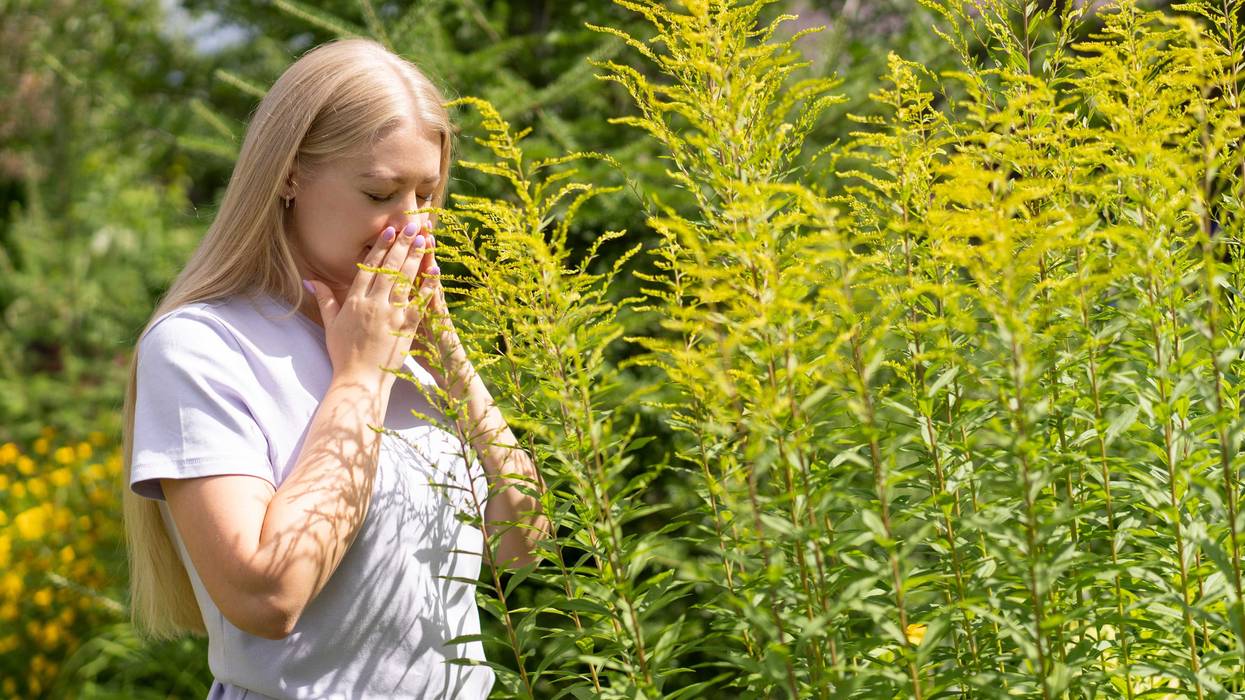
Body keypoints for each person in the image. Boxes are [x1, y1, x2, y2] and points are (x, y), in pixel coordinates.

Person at [120, 38, 548, 699]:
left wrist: (451, 360)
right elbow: (268, 594)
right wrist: (360, 377)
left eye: (427, 194)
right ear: (289, 173)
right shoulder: (202, 347)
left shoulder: (403, 341)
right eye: (380, 192)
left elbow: (523, 544)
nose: (412, 227)